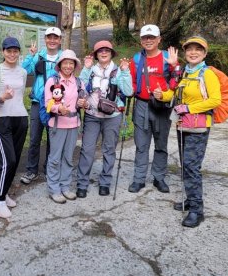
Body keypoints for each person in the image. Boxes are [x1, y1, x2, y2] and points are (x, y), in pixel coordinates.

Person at [154, 36, 221, 227]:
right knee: (186, 165)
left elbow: (216, 100)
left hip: (199, 127)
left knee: (192, 166)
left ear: (204, 53)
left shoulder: (207, 74)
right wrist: (162, 95)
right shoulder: (184, 72)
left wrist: (190, 108)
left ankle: (197, 210)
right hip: (183, 125)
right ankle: (190, 200)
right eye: (189, 49)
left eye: (197, 50)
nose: (193, 52)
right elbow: (175, 94)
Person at [76, 41, 133, 198]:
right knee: (87, 149)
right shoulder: (91, 69)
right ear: (95, 54)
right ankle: (82, 183)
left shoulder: (119, 70)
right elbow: (79, 87)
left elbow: (128, 91)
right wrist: (86, 68)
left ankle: (105, 182)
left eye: (107, 50)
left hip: (113, 116)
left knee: (109, 149)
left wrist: (126, 72)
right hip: (92, 115)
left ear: (112, 53)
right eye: (100, 50)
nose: (103, 52)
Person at [128, 24, 178, 194]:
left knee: (160, 143)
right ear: (141, 40)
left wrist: (174, 66)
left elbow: (177, 82)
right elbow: (133, 82)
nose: (148, 40)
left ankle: (159, 177)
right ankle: (139, 178)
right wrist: (130, 89)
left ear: (159, 39)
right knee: (141, 145)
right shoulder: (136, 59)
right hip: (141, 105)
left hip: (162, 106)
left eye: (151, 37)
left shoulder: (167, 57)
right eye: (144, 38)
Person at [0, 37, 29, 219]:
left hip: (21, 118)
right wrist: (2, 97)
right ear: (2, 52)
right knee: (8, 161)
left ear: (19, 52)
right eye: (8, 51)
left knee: (16, 158)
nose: (12, 54)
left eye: (15, 51)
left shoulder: (23, 72)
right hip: (2, 118)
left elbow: (20, 97)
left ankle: (5, 194)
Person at [19, 27, 63, 185]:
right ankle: (32, 170)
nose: (52, 40)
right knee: (34, 139)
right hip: (38, 102)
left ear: (59, 40)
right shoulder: (38, 56)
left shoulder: (63, 58)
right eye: (49, 37)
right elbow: (24, 70)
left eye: (55, 38)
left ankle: (50, 169)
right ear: (45, 39)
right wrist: (31, 55)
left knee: (54, 138)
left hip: (57, 104)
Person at [44, 49, 86, 204]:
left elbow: (83, 99)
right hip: (57, 124)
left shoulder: (79, 82)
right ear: (60, 65)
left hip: (74, 125)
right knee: (55, 158)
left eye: (71, 63)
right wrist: (57, 108)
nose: (68, 66)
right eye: (65, 63)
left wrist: (83, 103)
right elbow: (47, 102)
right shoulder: (53, 81)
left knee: (68, 157)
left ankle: (65, 186)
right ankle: (54, 189)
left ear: (74, 65)